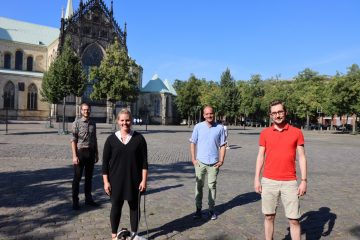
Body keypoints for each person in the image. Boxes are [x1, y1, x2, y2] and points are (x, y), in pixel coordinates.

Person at [254, 100, 307, 240]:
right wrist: (256, 179)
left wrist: (304, 181)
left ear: (285, 112)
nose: (278, 115)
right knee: (269, 216)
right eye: (274, 113)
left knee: (294, 219)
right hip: (268, 181)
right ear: (270, 115)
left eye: (280, 112)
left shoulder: (297, 133)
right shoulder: (265, 133)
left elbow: (302, 157)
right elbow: (260, 156)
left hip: (290, 182)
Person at [102, 109, 148, 240]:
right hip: (115, 181)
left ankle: (134, 234)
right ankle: (113, 235)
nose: (125, 123)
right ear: (118, 121)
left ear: (131, 121)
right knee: (116, 207)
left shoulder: (139, 139)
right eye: (122, 120)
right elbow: (105, 163)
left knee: (134, 208)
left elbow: (145, 163)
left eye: (127, 120)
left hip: (134, 180)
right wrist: (106, 182)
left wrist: (144, 181)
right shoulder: (111, 140)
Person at [189, 106, 227, 220]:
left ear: (214, 114)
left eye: (211, 113)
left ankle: (211, 210)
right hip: (200, 162)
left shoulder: (220, 128)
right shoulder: (198, 127)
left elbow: (223, 145)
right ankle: (198, 209)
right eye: (207, 114)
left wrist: (221, 160)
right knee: (199, 186)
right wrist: (193, 159)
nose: (209, 116)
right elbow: (192, 143)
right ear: (203, 115)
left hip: (214, 163)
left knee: (212, 186)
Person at [70, 102, 99, 210]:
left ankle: (88, 199)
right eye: (84, 109)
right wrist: (74, 156)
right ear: (81, 111)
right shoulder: (76, 123)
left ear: (90, 110)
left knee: (89, 178)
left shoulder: (93, 123)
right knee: (77, 178)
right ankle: (75, 201)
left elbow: (94, 139)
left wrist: (96, 153)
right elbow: (73, 140)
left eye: (88, 109)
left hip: (91, 153)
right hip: (80, 153)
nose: (86, 111)